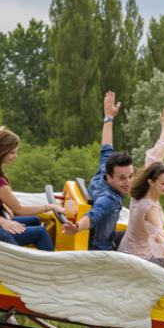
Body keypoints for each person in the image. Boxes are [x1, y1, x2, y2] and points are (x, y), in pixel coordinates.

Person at [0, 128, 64, 251]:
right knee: (41, 232)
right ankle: (51, 266)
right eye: (12, 153)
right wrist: (50, 207)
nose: (15, 156)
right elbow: (19, 210)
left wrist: (3, 205)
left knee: (35, 220)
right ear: (1, 151)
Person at [61, 92, 134, 249]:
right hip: (102, 250)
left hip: (105, 238)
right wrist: (77, 228)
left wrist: (108, 118)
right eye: (122, 178)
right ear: (110, 178)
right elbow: (94, 215)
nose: (128, 182)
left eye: (130, 176)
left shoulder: (104, 170)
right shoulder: (109, 198)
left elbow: (106, 149)